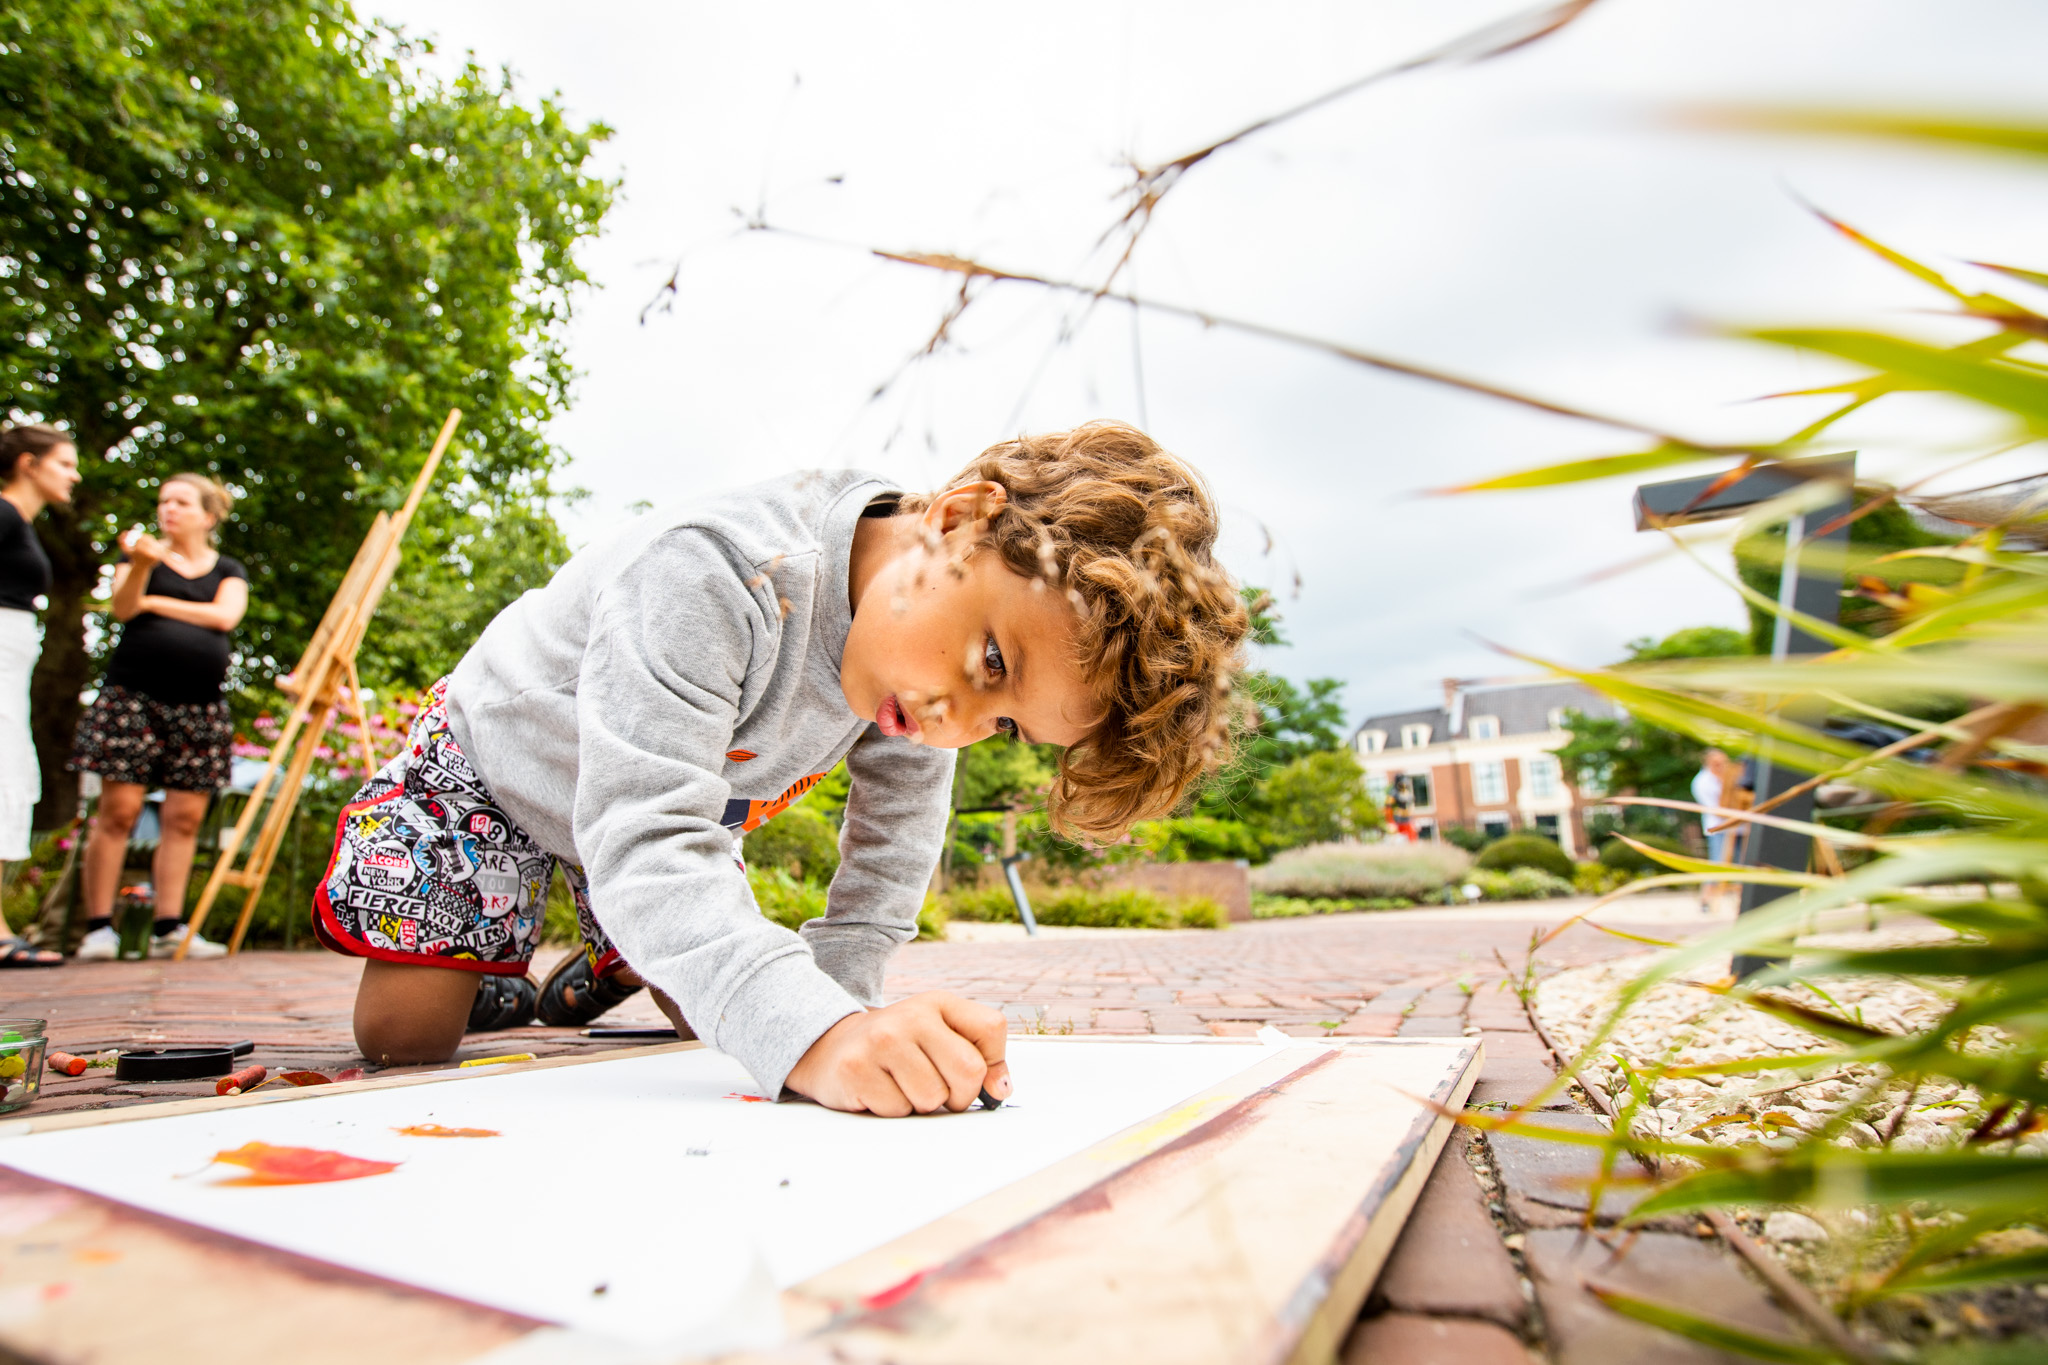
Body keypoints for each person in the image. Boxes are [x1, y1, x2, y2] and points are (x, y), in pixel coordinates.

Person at [317, 422, 1248, 1114]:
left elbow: (889, 860)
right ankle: (507, 972)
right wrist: (818, 1034)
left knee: (738, 1020)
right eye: (994, 663)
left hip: (660, 815)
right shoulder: (711, 573)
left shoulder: (923, 670)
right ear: (959, 521)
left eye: (1004, 725)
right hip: (499, 772)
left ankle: (616, 944)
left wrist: (846, 1016)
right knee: (405, 1040)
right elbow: (645, 834)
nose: (960, 722)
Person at [72, 474, 248, 962]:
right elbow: (123, 607)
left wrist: (156, 601)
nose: (168, 509)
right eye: (163, 501)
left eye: (181, 501)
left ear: (208, 515)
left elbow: (225, 617)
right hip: (134, 698)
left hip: (201, 704)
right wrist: (143, 573)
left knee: (185, 818)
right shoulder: (139, 559)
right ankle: (99, 929)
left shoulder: (228, 568)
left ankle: (169, 925)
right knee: (119, 812)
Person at [0, 424, 80, 969]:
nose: (74, 475)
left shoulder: (20, 522)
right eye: (64, 463)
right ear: (29, 463)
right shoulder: (4, 514)